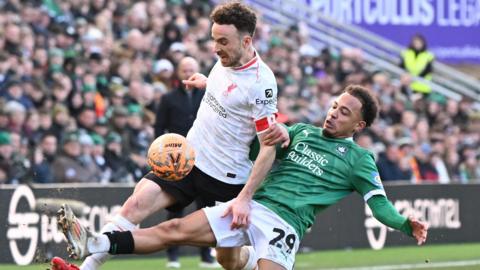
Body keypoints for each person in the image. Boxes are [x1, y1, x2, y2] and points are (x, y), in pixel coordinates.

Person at [55, 85, 428, 270]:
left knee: (230, 262)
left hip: (287, 225)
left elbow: (378, 204)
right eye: (334, 105)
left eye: (343, 112)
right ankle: (98, 243)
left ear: (358, 125)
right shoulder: (299, 131)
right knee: (173, 231)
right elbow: (256, 154)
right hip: (250, 206)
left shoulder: (360, 160)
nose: (332, 114)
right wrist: (267, 138)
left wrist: (403, 224)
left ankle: (249, 258)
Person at [52, 2, 288, 270]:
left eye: (223, 41)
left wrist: (244, 198)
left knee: (228, 261)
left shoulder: (262, 84)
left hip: (226, 180)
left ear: (246, 41)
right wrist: (208, 84)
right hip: (189, 160)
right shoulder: (225, 60)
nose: (215, 48)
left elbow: (267, 147)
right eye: (213, 40)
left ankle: (252, 265)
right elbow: (232, 92)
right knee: (137, 202)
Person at [155, 56, 217, 268]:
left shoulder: (210, 96)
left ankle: (206, 256)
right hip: (176, 160)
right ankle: (172, 255)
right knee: (174, 208)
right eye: (184, 69)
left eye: (191, 68)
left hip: (204, 158)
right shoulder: (168, 98)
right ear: (178, 73)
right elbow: (158, 129)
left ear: (198, 71)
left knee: (206, 209)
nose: (187, 72)